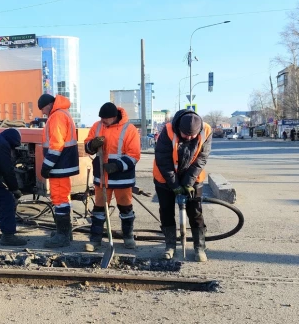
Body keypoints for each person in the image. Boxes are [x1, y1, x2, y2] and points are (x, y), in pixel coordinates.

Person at [153, 110, 212, 262]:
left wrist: (187, 183)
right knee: (166, 211)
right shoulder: (167, 131)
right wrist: (175, 185)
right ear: (179, 128)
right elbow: (163, 160)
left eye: (193, 136)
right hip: (164, 178)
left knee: (195, 211)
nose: (189, 138)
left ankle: (199, 247)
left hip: (193, 177)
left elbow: (201, 158)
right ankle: (170, 246)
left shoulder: (206, 130)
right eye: (186, 135)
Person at [84, 102, 141, 252]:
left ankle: (128, 237)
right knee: (99, 209)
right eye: (101, 118)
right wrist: (92, 145)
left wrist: (117, 166)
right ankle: (95, 240)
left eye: (106, 119)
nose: (103, 121)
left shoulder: (130, 129)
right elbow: (87, 147)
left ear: (114, 117)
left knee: (125, 208)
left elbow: (134, 155)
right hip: (102, 177)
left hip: (122, 177)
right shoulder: (97, 126)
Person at [37, 93, 80, 248]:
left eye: (43, 109)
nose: (43, 113)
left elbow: (56, 144)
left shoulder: (56, 116)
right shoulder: (62, 114)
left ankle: (62, 236)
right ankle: (65, 232)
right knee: (62, 198)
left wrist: (47, 165)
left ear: (49, 105)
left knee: (60, 198)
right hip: (62, 164)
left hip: (59, 165)